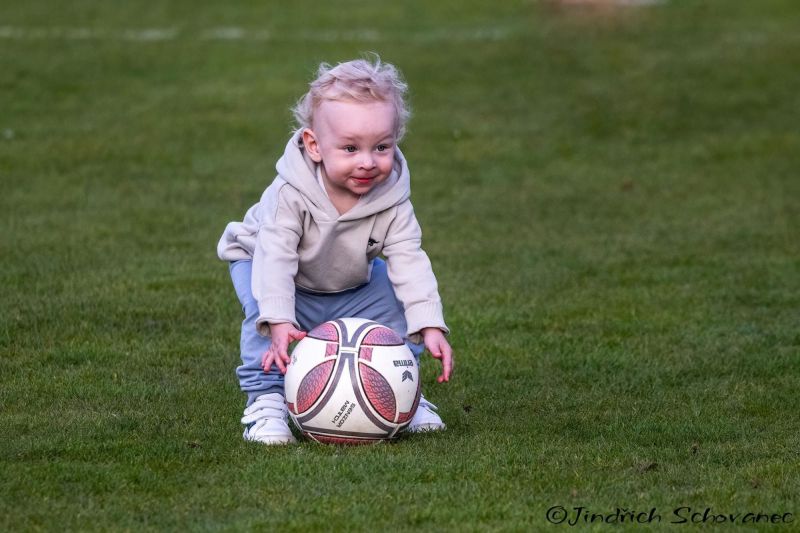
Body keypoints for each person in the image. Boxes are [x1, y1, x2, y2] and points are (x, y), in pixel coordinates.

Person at [217, 56, 454, 445]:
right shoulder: (290, 193)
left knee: (394, 303)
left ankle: (402, 394)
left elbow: (409, 258)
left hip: (347, 272)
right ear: (314, 145)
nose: (367, 162)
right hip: (266, 263)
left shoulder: (393, 199)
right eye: (349, 148)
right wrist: (279, 321)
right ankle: (265, 402)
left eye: (381, 146)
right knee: (264, 314)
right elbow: (275, 257)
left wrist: (429, 324)